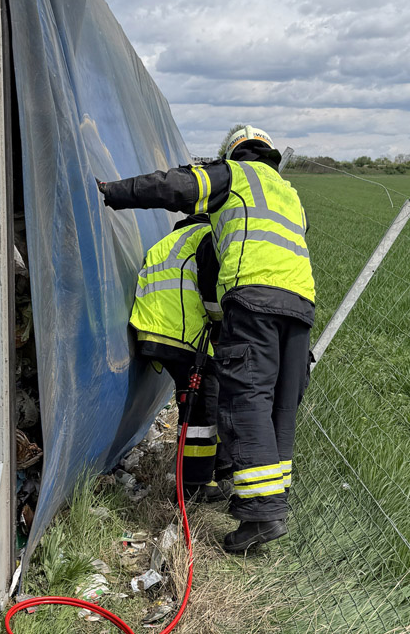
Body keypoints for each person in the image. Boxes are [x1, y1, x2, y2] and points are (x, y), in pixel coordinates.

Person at [100, 125, 314, 552]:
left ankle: (260, 513)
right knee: (280, 403)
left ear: (234, 152)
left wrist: (114, 192)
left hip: (252, 298)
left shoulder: (236, 175)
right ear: (271, 153)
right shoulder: (290, 194)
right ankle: (273, 503)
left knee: (246, 398)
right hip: (300, 303)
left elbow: (177, 186)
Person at [129, 213, 227, 501]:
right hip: (181, 332)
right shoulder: (207, 236)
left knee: (199, 399)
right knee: (202, 405)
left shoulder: (173, 239)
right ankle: (194, 485)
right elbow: (211, 294)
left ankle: (211, 470)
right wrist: (220, 326)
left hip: (155, 327)